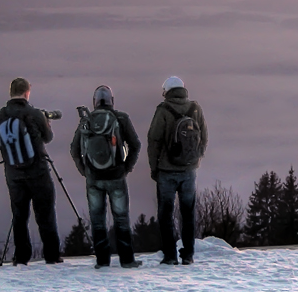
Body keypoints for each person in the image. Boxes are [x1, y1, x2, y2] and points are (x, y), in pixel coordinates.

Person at [0, 77, 62, 265]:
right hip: (38, 171)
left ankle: (22, 257)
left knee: (19, 216)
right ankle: (52, 256)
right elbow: (48, 138)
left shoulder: (0, 117)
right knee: (45, 214)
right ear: (27, 92)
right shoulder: (34, 114)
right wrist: (46, 124)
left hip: (13, 175)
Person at [70, 85, 143, 269]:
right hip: (116, 176)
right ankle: (127, 260)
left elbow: (74, 149)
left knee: (97, 219)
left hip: (93, 178)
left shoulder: (87, 121)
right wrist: (126, 167)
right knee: (121, 218)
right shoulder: (121, 118)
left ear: (94, 102)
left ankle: (102, 261)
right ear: (112, 100)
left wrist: (84, 171)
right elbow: (136, 145)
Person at [147, 76, 208, 265]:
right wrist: (196, 158)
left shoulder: (163, 110)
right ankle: (188, 255)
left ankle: (170, 255)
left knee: (166, 214)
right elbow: (204, 137)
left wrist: (154, 168)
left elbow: (153, 141)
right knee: (188, 213)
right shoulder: (195, 108)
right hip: (189, 171)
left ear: (167, 91)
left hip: (166, 170)